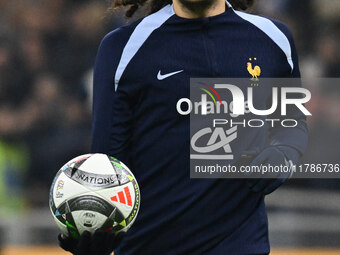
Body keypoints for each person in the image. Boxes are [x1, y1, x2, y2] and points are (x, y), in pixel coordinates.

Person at [59, 0, 308, 254]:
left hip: (241, 246)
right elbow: (108, 164)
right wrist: (95, 231)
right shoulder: (122, 48)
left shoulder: (273, 39)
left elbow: (292, 125)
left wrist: (283, 154)